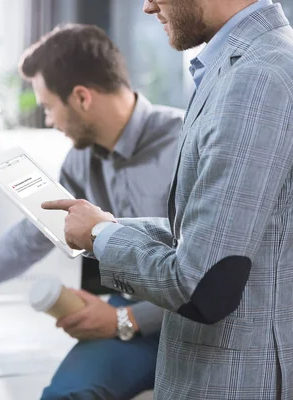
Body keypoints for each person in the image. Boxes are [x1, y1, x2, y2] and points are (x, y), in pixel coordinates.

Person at [0, 24, 184, 399]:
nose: (50, 120)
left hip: (193, 320)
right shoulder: (81, 161)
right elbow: (32, 235)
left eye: (49, 107)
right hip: (132, 311)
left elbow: (209, 271)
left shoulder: (187, 144)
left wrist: (125, 320)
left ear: (82, 98)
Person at [42, 1, 293, 398]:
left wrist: (101, 238)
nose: (148, 6)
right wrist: (106, 226)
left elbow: (203, 283)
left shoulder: (257, 77)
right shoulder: (239, 66)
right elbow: (220, 236)